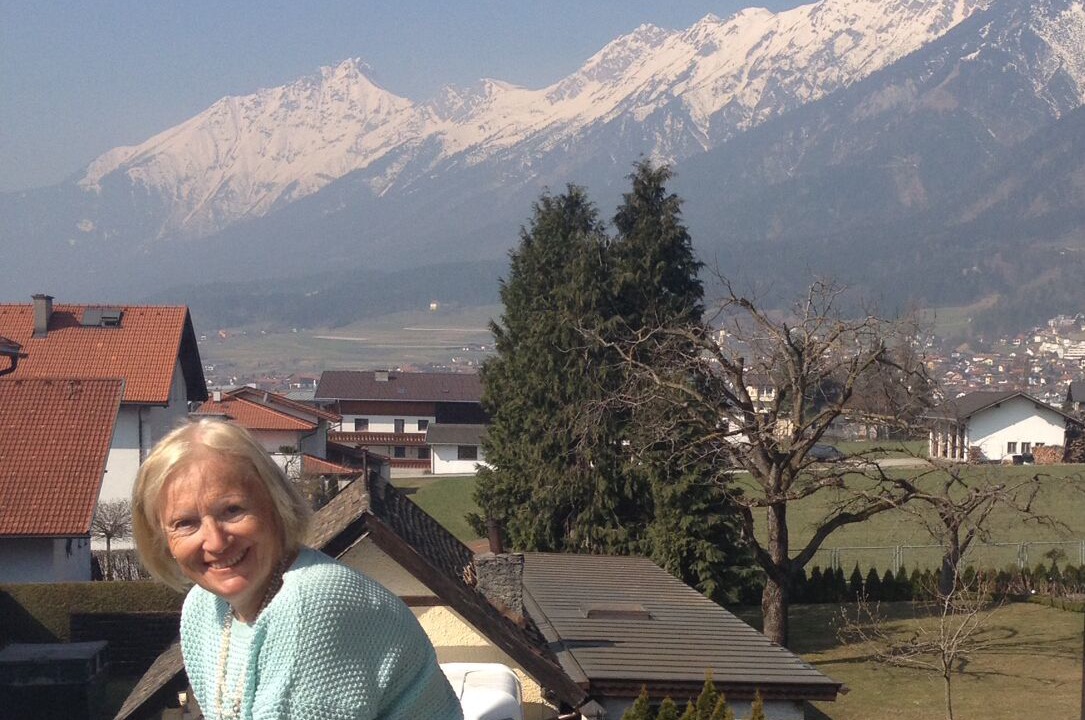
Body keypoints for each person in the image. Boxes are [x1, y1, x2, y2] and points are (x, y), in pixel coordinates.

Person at [132, 418, 463, 720]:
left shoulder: (311, 606)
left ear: (275, 505)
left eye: (232, 510)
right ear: (161, 539)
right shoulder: (202, 610)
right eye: (186, 523)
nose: (216, 542)